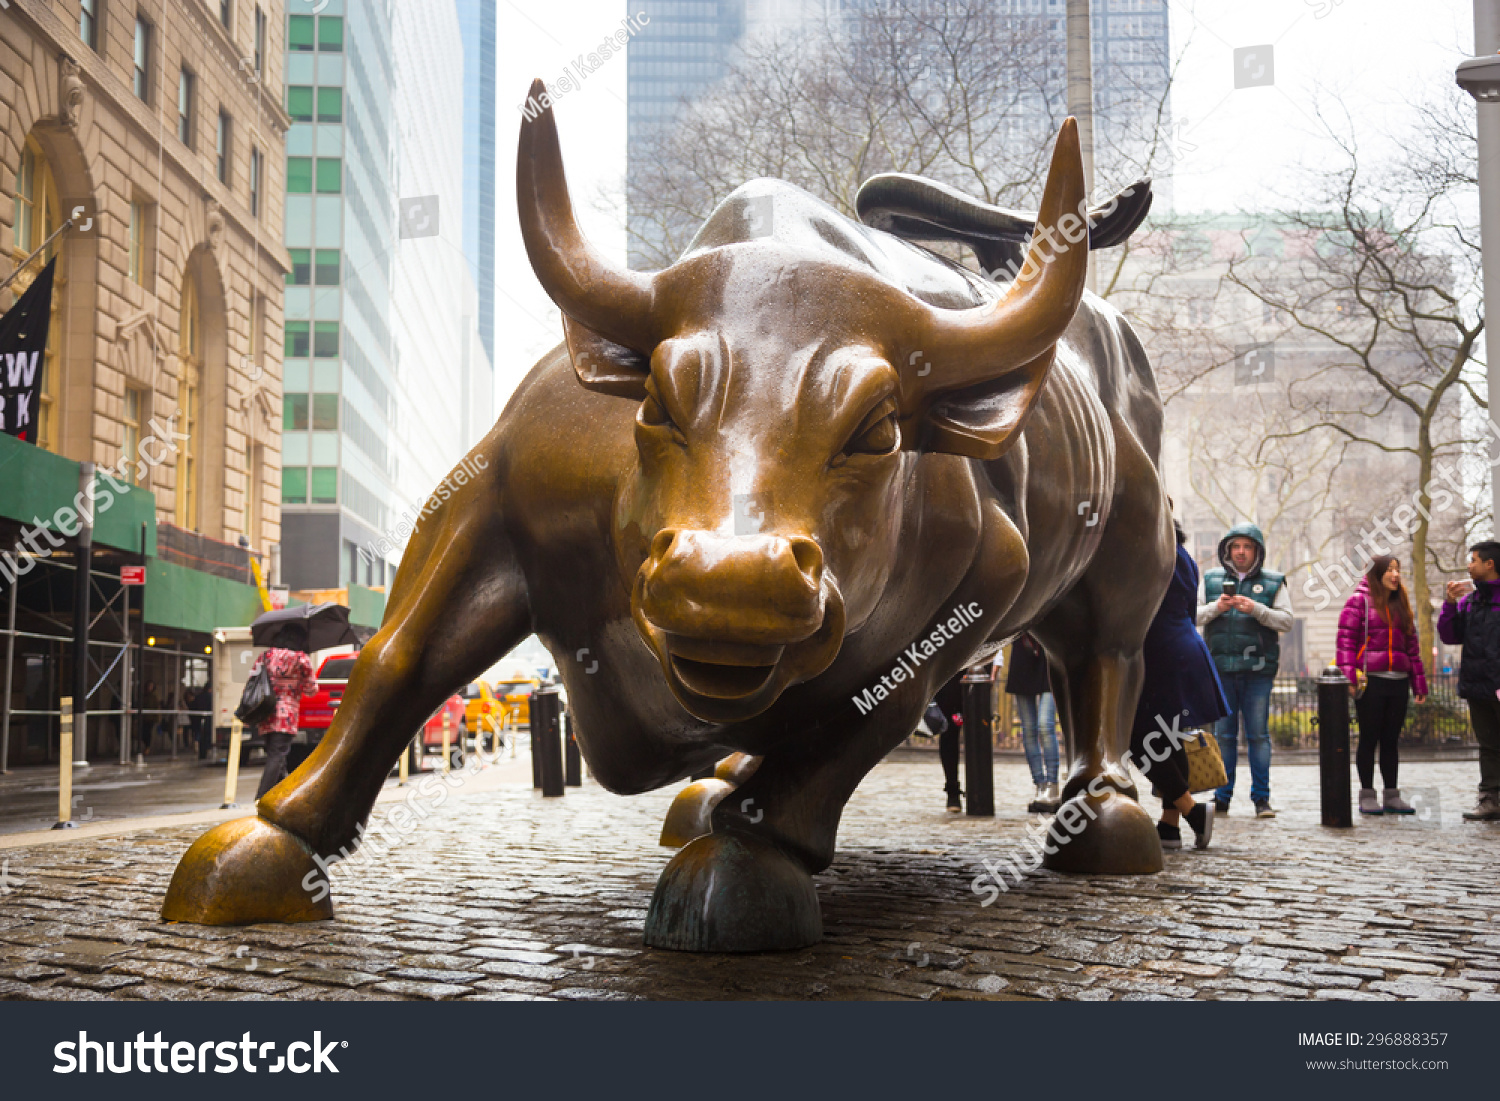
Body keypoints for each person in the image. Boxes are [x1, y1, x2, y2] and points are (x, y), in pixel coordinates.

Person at [1130, 519, 1229, 850]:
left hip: (1161, 651)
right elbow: (1188, 610)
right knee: (1169, 738)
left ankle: (1192, 812)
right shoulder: (1183, 555)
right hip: (1186, 646)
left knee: (1138, 739)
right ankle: (1169, 827)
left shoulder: (1147, 553)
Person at [1197, 523, 1294, 818]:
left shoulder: (1274, 581)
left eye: (1247, 546)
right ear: (1227, 550)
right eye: (1236, 546)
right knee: (1224, 735)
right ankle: (1222, 797)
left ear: (1257, 551)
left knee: (1258, 736)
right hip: (1221, 669)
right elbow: (1191, 615)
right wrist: (1217, 608)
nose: (1240, 552)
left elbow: (1287, 621)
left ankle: (1261, 799)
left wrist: (1257, 610)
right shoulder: (1211, 579)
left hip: (1259, 671)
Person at [1336, 556, 1426, 815]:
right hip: (1371, 682)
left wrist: (1419, 684)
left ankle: (1392, 795)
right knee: (1369, 738)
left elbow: (1412, 648)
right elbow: (1345, 643)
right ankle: (1367, 794)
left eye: (1397, 569)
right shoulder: (1359, 602)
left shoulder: (1401, 604)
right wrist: (1350, 677)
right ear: (1377, 574)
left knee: (1391, 741)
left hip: (1398, 682)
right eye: (1389, 570)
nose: (1395, 574)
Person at [1437, 540, 1500, 821]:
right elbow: (1451, 636)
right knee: (1488, 745)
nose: (1468, 565)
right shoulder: (1470, 602)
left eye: (1473, 559)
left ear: (1490, 564)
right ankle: (1489, 800)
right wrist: (1449, 604)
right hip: (1478, 687)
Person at [252, 645, 317, 800]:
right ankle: (262, 796)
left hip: (266, 712)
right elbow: (311, 689)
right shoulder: (300, 658)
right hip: (286, 715)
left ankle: (285, 793)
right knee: (277, 754)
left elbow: (253, 679)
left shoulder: (266, 656)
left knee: (276, 754)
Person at [1006, 632, 1059, 810]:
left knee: (1045, 725)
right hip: (1022, 655)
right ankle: (1040, 784)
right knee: (1028, 728)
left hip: (1049, 653)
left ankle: (1052, 784)